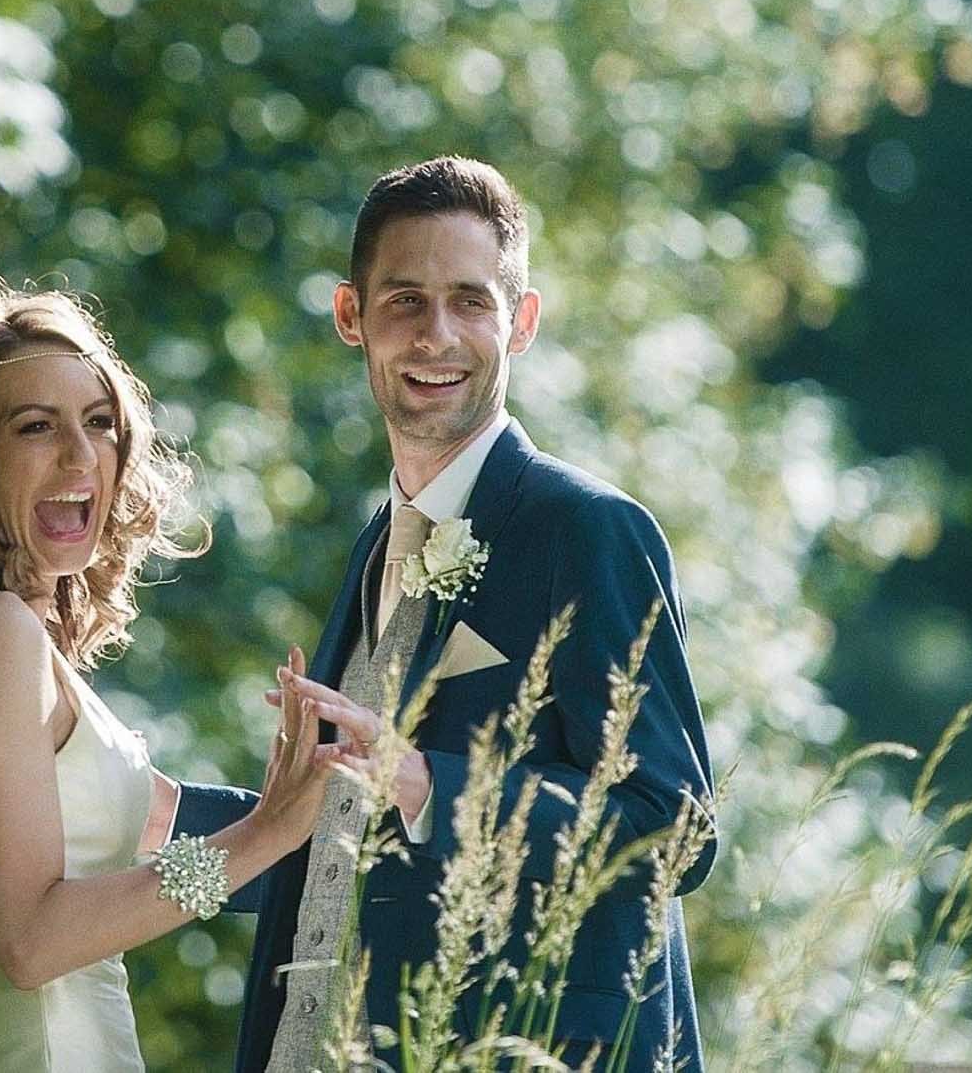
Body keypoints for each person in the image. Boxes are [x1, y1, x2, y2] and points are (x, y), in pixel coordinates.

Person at [230, 156, 718, 1073]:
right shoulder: (378, 541)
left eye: (471, 301)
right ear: (351, 318)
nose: (436, 335)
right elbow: (340, 837)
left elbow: (673, 824)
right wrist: (160, 813)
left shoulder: (588, 530)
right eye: (404, 301)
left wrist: (427, 783)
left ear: (521, 322)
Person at [0, 287, 348, 1072]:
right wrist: (268, 833)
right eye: (35, 426)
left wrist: (342, 824)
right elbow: (28, 943)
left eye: (100, 423)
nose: (81, 457)